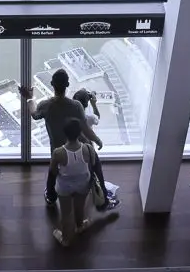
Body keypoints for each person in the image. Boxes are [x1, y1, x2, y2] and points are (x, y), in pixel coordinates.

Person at [19, 70, 118, 210]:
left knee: (53, 169)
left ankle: (51, 195)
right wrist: (97, 140)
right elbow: (85, 129)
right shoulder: (76, 106)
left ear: (52, 84)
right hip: (79, 147)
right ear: (67, 85)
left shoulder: (45, 105)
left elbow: (34, 114)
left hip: (58, 149)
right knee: (96, 164)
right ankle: (103, 198)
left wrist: (29, 98)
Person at [50, 118, 97, 247]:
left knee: (65, 213)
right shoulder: (88, 148)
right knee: (80, 207)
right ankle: (80, 226)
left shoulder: (58, 152)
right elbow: (92, 164)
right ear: (79, 132)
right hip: (83, 184)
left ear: (65, 133)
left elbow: (53, 171)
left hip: (64, 186)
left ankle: (65, 239)